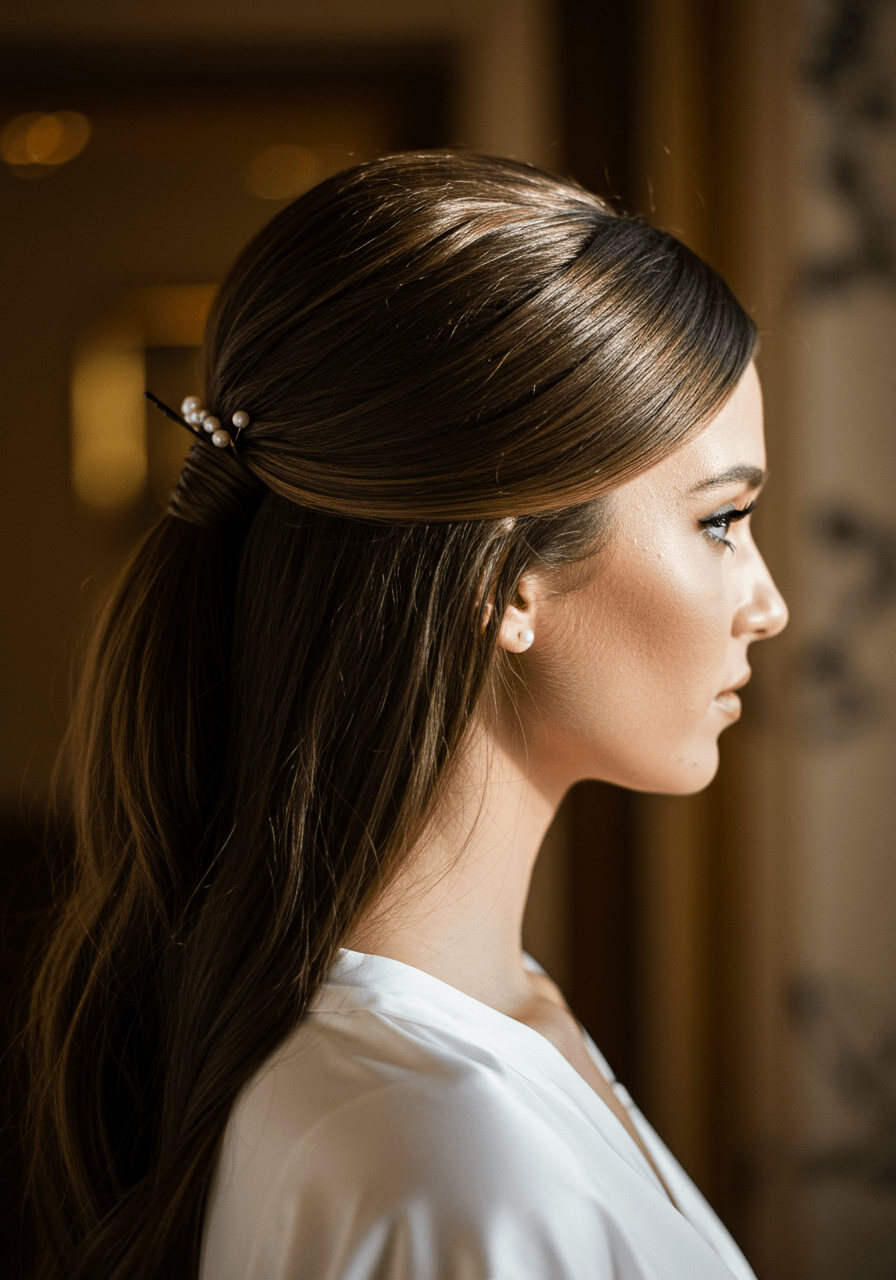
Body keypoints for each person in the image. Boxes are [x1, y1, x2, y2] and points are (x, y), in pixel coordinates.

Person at [25, 151, 787, 1280]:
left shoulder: (476, 1037)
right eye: (720, 521)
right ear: (504, 577)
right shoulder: (450, 1165)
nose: (767, 605)